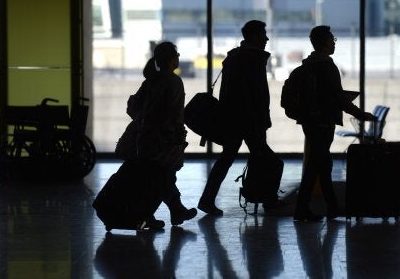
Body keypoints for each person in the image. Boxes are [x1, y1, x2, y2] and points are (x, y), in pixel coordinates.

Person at [197, 20, 280, 215]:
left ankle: (207, 199)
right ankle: (267, 199)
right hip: (250, 121)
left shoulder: (235, 57)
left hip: (234, 119)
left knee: (227, 159)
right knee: (267, 160)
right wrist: (261, 120)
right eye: (263, 34)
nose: (266, 38)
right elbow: (256, 94)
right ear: (253, 36)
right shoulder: (252, 59)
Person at [293, 25, 376, 221]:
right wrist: (360, 114)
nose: (334, 43)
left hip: (309, 121)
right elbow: (337, 97)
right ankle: (303, 208)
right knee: (316, 165)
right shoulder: (327, 66)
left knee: (321, 164)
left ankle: (332, 207)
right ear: (324, 42)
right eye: (332, 40)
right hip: (323, 121)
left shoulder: (308, 65)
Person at [133, 41, 197, 227]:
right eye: (176, 55)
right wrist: (175, 133)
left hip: (145, 135)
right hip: (165, 137)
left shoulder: (150, 80)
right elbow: (172, 111)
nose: (178, 58)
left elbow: (135, 106)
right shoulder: (173, 81)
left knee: (155, 176)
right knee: (163, 176)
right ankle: (173, 211)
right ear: (171, 59)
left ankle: (159, 214)